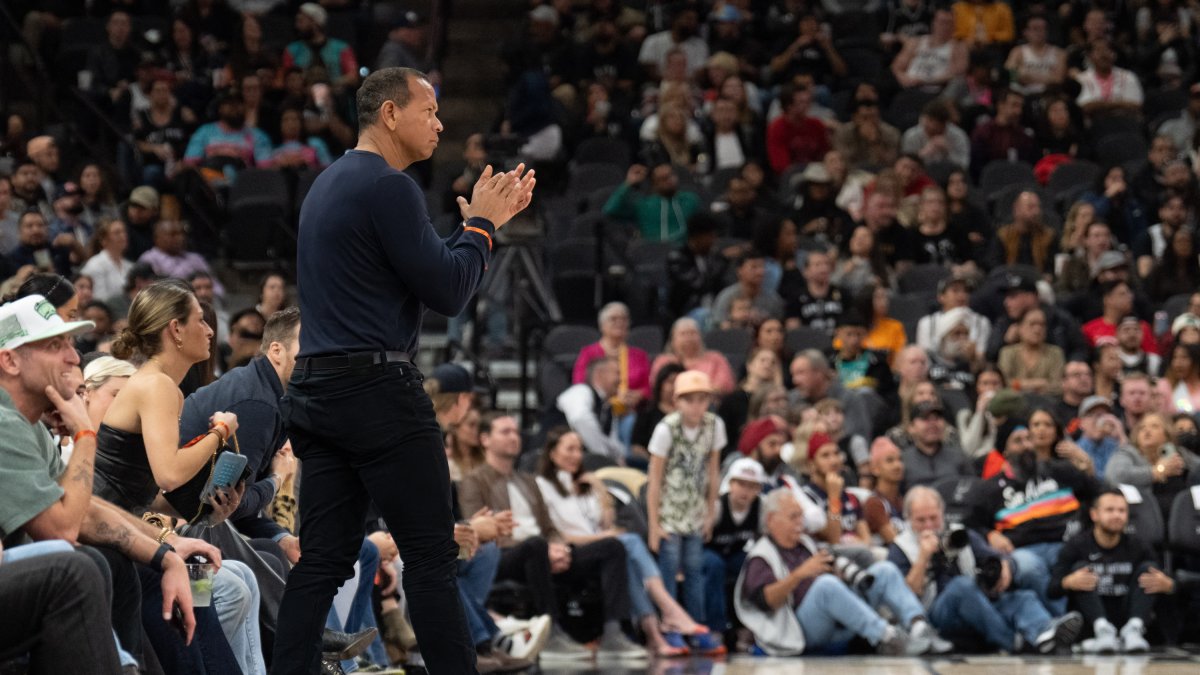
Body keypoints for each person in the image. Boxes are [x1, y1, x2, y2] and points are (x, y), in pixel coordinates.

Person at [274, 67, 537, 674]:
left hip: (317, 389)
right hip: (376, 391)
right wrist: (483, 228)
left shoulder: (330, 184)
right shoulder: (391, 187)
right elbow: (447, 289)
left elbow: (408, 273)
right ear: (389, 115)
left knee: (322, 562)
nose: (441, 124)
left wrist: (469, 233)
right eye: (430, 111)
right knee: (430, 555)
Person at [459, 413, 643, 661]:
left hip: (543, 550)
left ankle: (613, 631)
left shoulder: (528, 480)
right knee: (534, 546)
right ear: (485, 439)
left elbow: (549, 526)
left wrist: (559, 547)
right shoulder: (474, 480)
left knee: (612, 546)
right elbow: (478, 530)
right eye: (505, 432)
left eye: (515, 431)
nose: (514, 437)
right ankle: (552, 635)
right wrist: (544, 548)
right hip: (503, 555)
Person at [535, 428, 704, 657]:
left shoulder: (584, 485)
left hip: (603, 549)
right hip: (567, 551)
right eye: (570, 449)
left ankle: (653, 635)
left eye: (579, 450)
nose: (576, 455)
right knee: (629, 542)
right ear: (553, 453)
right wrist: (601, 538)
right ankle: (668, 609)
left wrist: (599, 489)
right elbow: (556, 535)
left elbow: (606, 523)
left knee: (624, 555)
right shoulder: (542, 486)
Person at [735, 488, 945, 656]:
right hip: (800, 628)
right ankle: (889, 638)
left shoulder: (806, 543)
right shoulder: (761, 555)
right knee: (826, 585)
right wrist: (799, 574)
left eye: (801, 516)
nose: (801, 522)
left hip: (839, 618)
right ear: (772, 520)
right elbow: (765, 601)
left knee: (884, 570)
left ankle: (919, 627)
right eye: (794, 517)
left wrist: (840, 574)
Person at [889, 487, 1084, 653]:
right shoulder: (901, 546)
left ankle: (1045, 632)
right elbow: (904, 596)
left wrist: (1006, 565)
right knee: (961, 587)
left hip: (976, 604)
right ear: (908, 519)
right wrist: (923, 557)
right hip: (934, 613)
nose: (929, 526)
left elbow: (994, 556)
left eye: (933, 518)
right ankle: (1012, 642)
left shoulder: (958, 533)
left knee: (1021, 597)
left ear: (942, 513)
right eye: (921, 520)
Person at [966, 418, 1104, 615]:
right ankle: (1061, 618)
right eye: (1018, 441)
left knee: (1079, 561)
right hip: (1023, 552)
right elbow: (969, 524)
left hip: (1067, 545)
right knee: (1029, 566)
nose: (1026, 445)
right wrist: (990, 535)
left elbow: (1100, 492)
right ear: (1004, 451)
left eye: (1029, 439)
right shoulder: (989, 489)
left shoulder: (1060, 471)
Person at [646, 370, 726, 649]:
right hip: (669, 511)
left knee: (694, 569)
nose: (696, 406)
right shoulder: (666, 429)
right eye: (689, 400)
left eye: (702, 399)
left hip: (694, 510)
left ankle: (696, 624)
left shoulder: (715, 426)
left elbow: (713, 471)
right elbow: (654, 479)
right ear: (677, 401)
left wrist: (710, 511)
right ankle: (670, 624)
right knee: (668, 570)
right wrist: (653, 524)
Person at [1049, 489, 1173, 653]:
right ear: (1094, 514)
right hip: (1092, 621)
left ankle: (1133, 629)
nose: (1117, 515)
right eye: (1110, 510)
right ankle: (1102, 630)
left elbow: (1165, 580)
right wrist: (1068, 582)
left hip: (1128, 618)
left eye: (1122, 511)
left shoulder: (1139, 545)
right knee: (1081, 570)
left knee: (1149, 570)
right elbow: (1051, 590)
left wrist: (1169, 585)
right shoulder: (1076, 545)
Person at [704, 457, 768, 642]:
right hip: (709, 553)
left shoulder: (761, 508)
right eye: (741, 484)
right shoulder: (717, 507)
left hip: (734, 555)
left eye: (752, 486)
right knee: (715, 566)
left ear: (759, 489)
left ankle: (745, 626)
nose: (745, 491)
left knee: (751, 565)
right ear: (730, 484)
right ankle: (715, 628)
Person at [571, 301, 651, 447]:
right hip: (597, 411)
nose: (619, 322)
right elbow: (579, 383)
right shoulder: (589, 353)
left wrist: (636, 395)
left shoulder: (639, 355)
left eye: (624, 319)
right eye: (614, 319)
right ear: (602, 325)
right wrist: (611, 398)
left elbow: (648, 388)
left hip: (629, 413)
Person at [1106, 412, 1199, 520]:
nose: (1147, 431)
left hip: (1179, 516)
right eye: (1142, 428)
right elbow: (1116, 476)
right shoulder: (1128, 453)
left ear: (1167, 434)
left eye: (1154, 426)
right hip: (1139, 514)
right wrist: (1156, 472)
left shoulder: (1178, 453)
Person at [603, 163, 702, 243]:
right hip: (652, 253)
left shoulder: (690, 200)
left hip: (684, 253)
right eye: (663, 179)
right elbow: (610, 211)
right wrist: (628, 183)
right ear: (654, 184)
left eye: (671, 175)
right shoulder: (643, 206)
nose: (669, 181)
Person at [556, 356, 626, 463]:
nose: (621, 379)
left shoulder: (607, 407)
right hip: (552, 459)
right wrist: (604, 458)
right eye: (617, 373)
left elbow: (612, 443)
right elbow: (580, 419)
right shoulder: (580, 391)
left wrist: (619, 459)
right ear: (599, 374)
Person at [650, 317, 736, 395]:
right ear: (673, 340)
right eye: (683, 334)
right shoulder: (663, 361)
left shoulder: (715, 358)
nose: (689, 338)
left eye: (693, 333)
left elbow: (726, 386)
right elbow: (656, 387)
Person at [900, 400, 972, 487]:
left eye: (937, 418)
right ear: (911, 427)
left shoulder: (959, 458)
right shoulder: (902, 462)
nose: (933, 423)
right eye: (925, 418)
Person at [998, 307, 1065, 395]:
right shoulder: (1007, 352)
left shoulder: (1055, 353)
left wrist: (1019, 385)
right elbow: (1004, 382)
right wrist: (1039, 383)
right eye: (1032, 324)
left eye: (1042, 325)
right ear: (1020, 328)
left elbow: (1058, 385)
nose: (1037, 329)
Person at [864, 438, 906, 544]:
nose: (898, 465)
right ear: (875, 469)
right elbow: (896, 543)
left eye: (900, 459)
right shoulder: (874, 503)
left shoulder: (902, 500)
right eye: (890, 461)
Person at [80, 218, 133, 303]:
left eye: (124, 232)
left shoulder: (129, 266)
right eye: (117, 233)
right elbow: (100, 300)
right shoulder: (95, 265)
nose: (123, 236)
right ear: (103, 240)